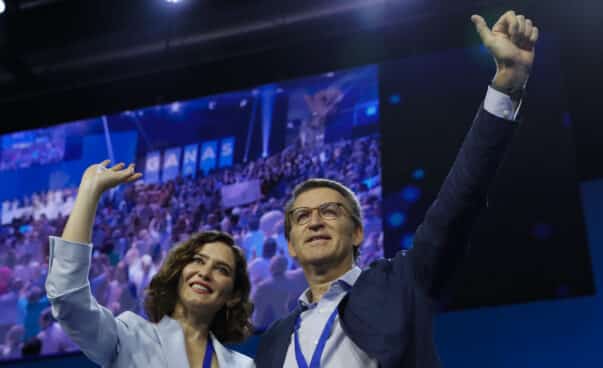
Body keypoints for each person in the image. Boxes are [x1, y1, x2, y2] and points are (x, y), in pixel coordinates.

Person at [255, 10, 539, 368]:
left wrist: (507, 83)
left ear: (358, 232)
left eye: (330, 211)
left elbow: (460, 200)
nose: (315, 222)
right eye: (302, 217)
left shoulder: (401, 284)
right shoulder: (274, 341)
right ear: (291, 245)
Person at [46, 161, 255, 367]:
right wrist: (89, 191)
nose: (205, 272)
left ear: (233, 296)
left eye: (221, 269)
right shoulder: (129, 338)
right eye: (198, 260)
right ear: (179, 273)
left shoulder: (242, 366)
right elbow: (68, 296)